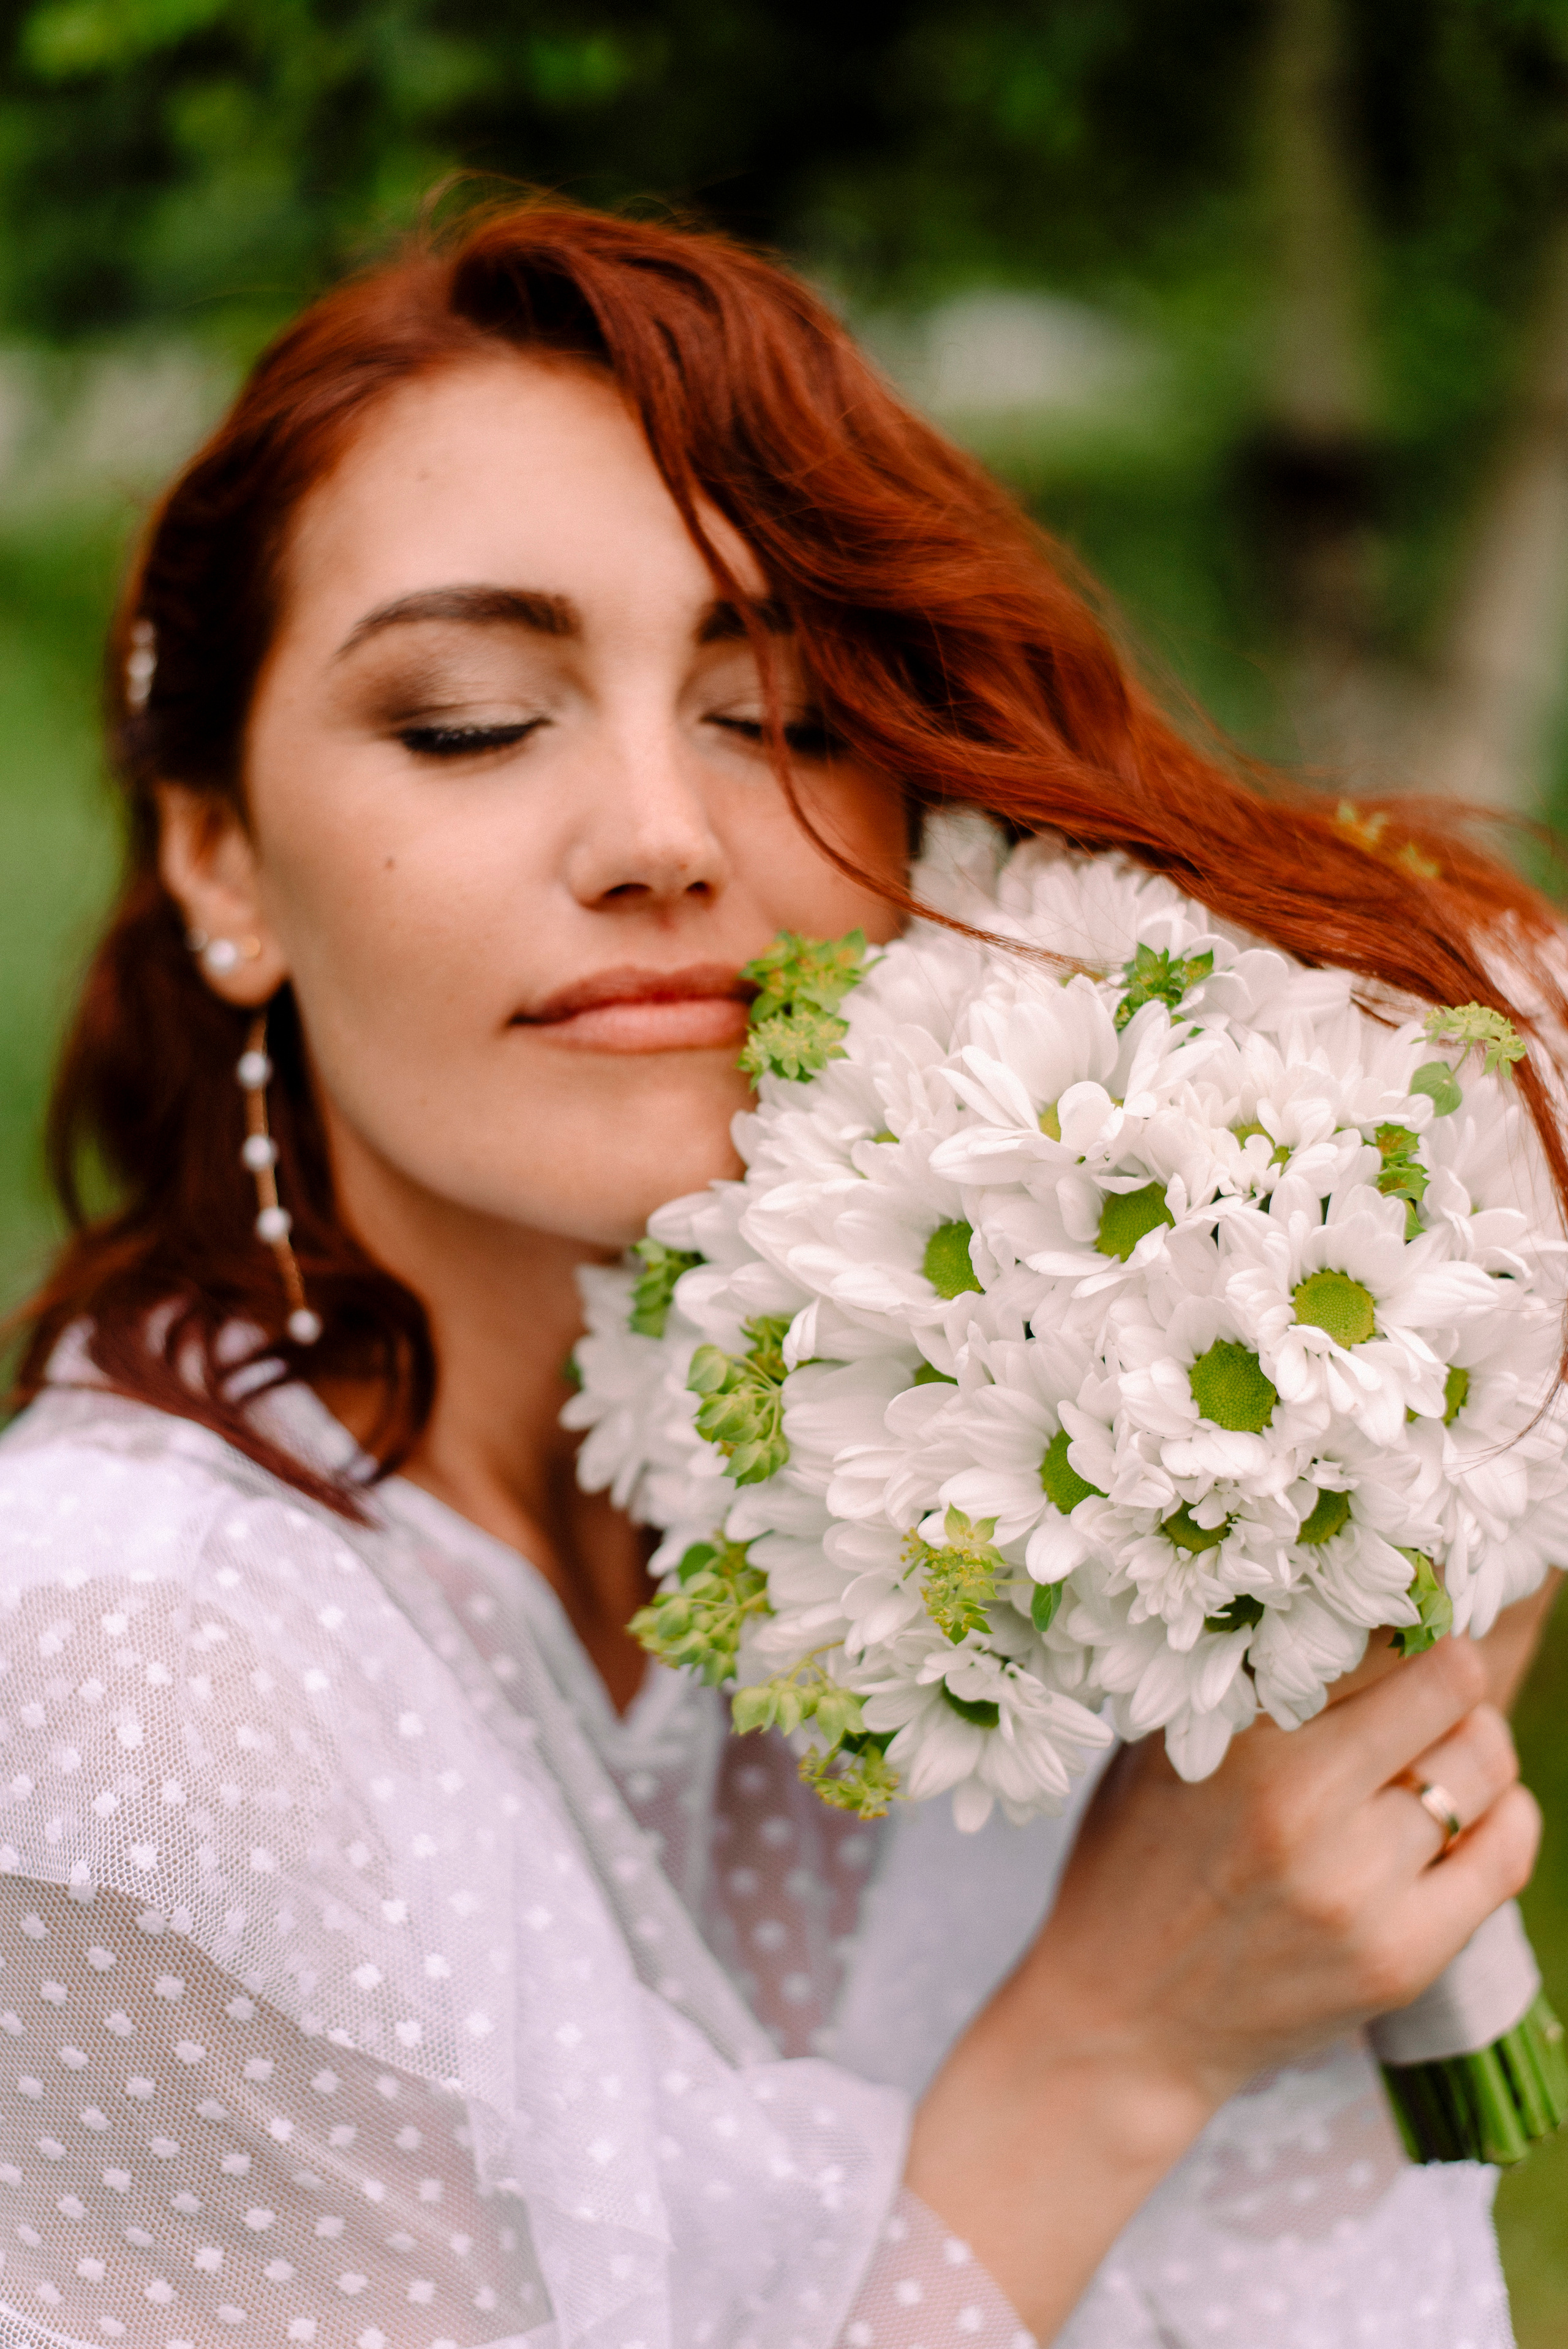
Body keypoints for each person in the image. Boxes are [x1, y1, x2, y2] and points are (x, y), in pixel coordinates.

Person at [0, 200, 1559, 2349]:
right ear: (219, 857)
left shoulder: (1005, 1437)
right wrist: (1117, 2036)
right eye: (471, 720)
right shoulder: (136, 1682)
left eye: (790, 715)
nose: (663, 831)